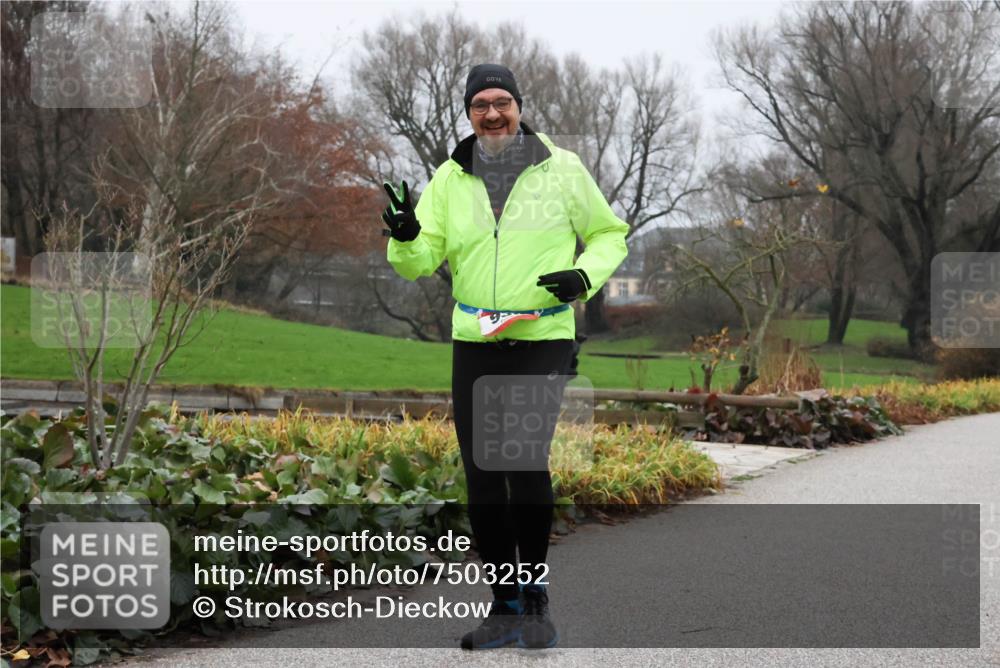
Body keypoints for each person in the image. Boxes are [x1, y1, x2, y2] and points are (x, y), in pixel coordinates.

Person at [381, 63, 628, 650]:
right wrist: (405, 232)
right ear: (468, 114)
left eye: (502, 102)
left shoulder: (560, 169)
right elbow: (417, 263)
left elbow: (610, 234)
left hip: (542, 335)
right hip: (475, 340)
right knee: (484, 475)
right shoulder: (449, 178)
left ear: (519, 107)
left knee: (520, 459)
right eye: (479, 105)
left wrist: (583, 277)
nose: (492, 114)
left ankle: (537, 599)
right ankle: (504, 606)